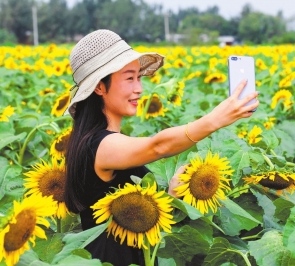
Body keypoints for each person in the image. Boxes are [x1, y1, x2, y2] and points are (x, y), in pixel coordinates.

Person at [63, 29, 259, 266]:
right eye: (129, 78)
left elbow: (130, 219)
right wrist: (216, 119)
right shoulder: (99, 145)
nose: (139, 89)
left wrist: (171, 195)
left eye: (139, 77)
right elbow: (158, 146)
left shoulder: (92, 140)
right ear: (99, 87)